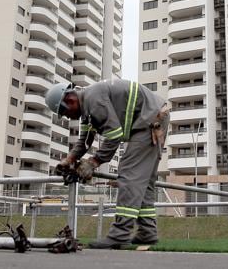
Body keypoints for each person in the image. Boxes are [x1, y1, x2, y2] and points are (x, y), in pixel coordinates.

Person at [45, 78, 169, 249]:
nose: (68, 117)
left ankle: (120, 234)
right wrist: (69, 160)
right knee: (144, 181)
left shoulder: (93, 100)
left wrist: (93, 162)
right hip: (152, 116)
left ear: (70, 100)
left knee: (129, 174)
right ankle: (147, 233)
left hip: (150, 120)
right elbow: (85, 141)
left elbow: (114, 135)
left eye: (65, 113)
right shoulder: (88, 105)